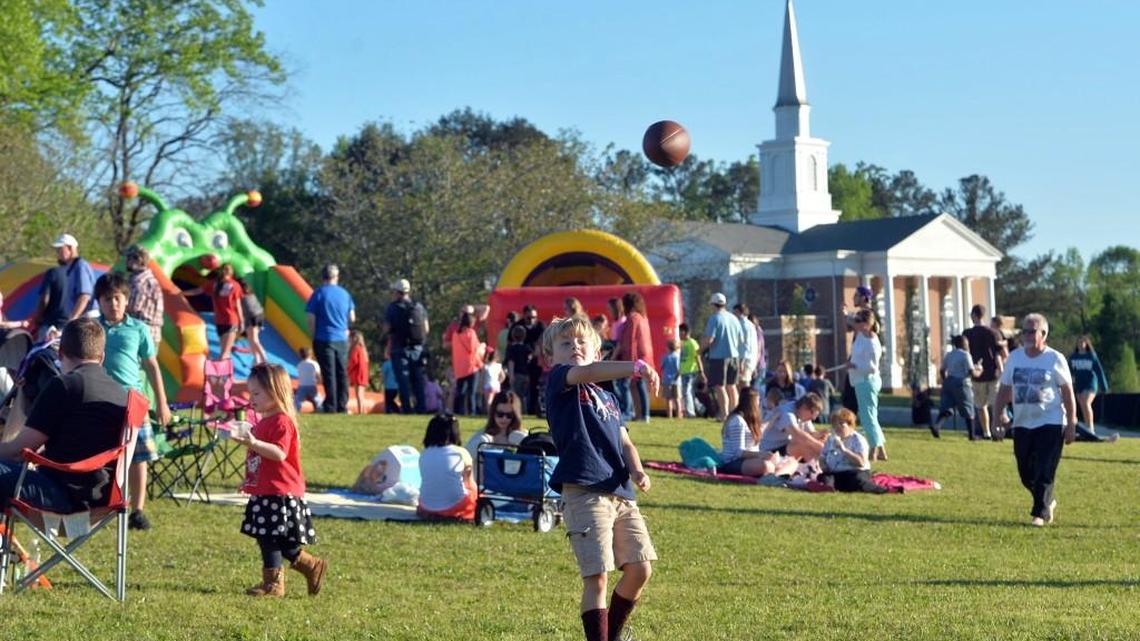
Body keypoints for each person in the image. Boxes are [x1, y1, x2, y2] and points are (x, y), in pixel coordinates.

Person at [542, 315, 660, 641]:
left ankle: (614, 635)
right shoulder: (560, 379)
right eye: (566, 344)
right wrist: (636, 366)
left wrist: (636, 469)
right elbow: (589, 372)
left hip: (620, 491)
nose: (575, 347)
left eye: (582, 342)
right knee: (597, 578)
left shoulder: (608, 395)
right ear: (552, 356)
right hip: (584, 489)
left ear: (596, 349)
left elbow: (624, 441)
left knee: (640, 569)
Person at [0, 319, 128, 513]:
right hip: (101, 498)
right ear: (101, 357)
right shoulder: (120, 393)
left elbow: (19, 451)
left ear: (60, 353)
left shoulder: (65, 385)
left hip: (63, 494)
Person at [231, 362, 326, 597]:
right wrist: (249, 482)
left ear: (275, 391)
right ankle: (311, 565)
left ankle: (274, 584)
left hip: (280, 491)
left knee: (271, 537)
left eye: (256, 393)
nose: (251, 398)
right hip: (264, 490)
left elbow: (279, 453)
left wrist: (253, 442)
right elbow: (258, 460)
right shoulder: (262, 422)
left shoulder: (282, 422)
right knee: (274, 539)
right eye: (250, 392)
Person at [95, 272, 171, 530]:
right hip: (101, 401)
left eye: (117, 298)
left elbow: (151, 366)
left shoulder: (138, 329)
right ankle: (102, 506)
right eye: (107, 300)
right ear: (99, 302)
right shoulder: (93, 329)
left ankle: (137, 510)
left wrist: (161, 403)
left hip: (134, 402)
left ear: (126, 300)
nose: (112, 304)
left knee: (139, 457)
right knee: (101, 456)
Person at [993, 313, 1078, 527]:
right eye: (1025, 331)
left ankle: (1039, 514)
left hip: (1051, 421)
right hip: (1022, 423)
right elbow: (1004, 389)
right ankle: (1047, 500)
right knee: (1025, 472)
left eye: (1033, 331)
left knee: (1044, 470)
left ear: (1044, 334)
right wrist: (996, 417)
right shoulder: (1014, 358)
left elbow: (1068, 392)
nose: (1028, 335)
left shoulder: (1055, 359)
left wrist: (1071, 424)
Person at [306, 265, 356, 413]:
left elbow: (310, 317)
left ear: (323, 277)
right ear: (337, 277)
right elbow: (352, 317)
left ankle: (331, 405)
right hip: (341, 338)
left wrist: (313, 334)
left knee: (329, 373)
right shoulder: (345, 294)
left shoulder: (319, 294)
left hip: (323, 337)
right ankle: (342, 405)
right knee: (342, 372)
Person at [417, 414, 477, 521]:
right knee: (474, 494)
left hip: (427, 507)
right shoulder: (461, 453)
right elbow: (470, 483)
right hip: (455, 507)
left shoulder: (424, 454)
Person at [845, 309, 887, 461]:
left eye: (858, 322)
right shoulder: (861, 335)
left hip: (867, 381)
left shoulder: (872, 343)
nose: (855, 324)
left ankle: (874, 448)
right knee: (871, 416)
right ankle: (881, 449)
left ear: (866, 324)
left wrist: (854, 366)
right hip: (859, 380)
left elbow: (872, 368)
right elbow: (850, 320)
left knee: (867, 416)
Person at [963, 304, 1008, 440]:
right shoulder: (993, 333)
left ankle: (987, 432)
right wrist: (1001, 368)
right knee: (996, 405)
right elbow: (1002, 353)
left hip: (977, 374)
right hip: (993, 373)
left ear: (974, 316)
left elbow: (966, 354)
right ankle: (997, 431)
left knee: (980, 405)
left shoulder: (967, 334)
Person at [818, 408, 888, 493]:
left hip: (854, 471)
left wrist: (843, 450)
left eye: (841, 424)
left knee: (856, 479)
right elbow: (822, 456)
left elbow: (861, 462)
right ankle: (828, 487)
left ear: (850, 425)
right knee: (825, 477)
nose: (837, 428)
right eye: (835, 425)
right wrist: (824, 466)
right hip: (835, 472)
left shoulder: (858, 440)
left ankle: (883, 490)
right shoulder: (831, 439)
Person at [384, 278, 426, 414]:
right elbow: (426, 327)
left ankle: (407, 408)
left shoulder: (393, 308)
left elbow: (387, 328)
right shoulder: (418, 307)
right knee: (417, 380)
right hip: (417, 348)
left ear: (397, 292)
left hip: (399, 348)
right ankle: (421, 408)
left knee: (403, 381)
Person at [184, 264, 244, 360]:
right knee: (225, 353)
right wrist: (242, 321)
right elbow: (238, 305)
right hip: (231, 321)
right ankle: (221, 373)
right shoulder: (235, 285)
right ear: (231, 273)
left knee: (223, 352)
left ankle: (222, 373)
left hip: (219, 321)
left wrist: (182, 293)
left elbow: (198, 291)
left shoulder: (213, 284)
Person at [702, 292, 745, 422]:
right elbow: (740, 339)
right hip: (734, 356)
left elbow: (709, 339)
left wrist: (700, 349)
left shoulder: (714, 318)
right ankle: (735, 414)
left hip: (718, 357)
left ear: (713, 305)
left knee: (719, 386)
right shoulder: (733, 318)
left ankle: (724, 414)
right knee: (732, 386)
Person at [718, 387, 780, 477]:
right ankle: (777, 473)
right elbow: (738, 452)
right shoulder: (737, 421)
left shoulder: (749, 420)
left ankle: (777, 473)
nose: (759, 404)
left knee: (790, 461)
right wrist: (760, 455)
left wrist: (774, 418)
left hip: (750, 460)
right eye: (758, 400)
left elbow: (761, 429)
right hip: (733, 462)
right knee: (765, 465)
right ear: (752, 403)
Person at [931, 335, 982, 439]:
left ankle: (937, 426)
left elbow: (942, 370)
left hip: (949, 381)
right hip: (962, 383)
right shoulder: (965, 355)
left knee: (947, 407)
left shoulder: (949, 355)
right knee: (968, 408)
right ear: (964, 344)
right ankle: (972, 435)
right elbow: (971, 372)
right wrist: (979, 371)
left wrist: (946, 380)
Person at [615, 292, 653, 422]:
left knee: (639, 385)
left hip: (636, 357)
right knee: (635, 386)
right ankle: (639, 414)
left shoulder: (633, 318)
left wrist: (630, 363)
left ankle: (644, 414)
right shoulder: (643, 317)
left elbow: (631, 340)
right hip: (644, 355)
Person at [464, 390, 529, 459]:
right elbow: (464, 458)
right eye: (500, 414)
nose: (504, 419)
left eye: (509, 415)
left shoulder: (522, 436)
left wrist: (525, 442)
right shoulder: (482, 437)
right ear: (493, 413)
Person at [1069, 336, 1112, 439]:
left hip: (1091, 384)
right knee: (1082, 405)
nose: (1081, 344)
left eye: (1083, 342)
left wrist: (1104, 386)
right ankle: (1087, 429)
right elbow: (1067, 371)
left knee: (1085, 402)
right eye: (1079, 342)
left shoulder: (1091, 356)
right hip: (1079, 385)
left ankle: (1090, 427)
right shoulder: (1073, 357)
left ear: (1087, 344)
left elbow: (1099, 371)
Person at [124, 245, 164, 349]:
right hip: (151, 335)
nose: (126, 261)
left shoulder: (140, 284)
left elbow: (130, 309)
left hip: (142, 336)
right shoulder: (149, 280)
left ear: (138, 260)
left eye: (129, 258)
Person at [759, 393, 824, 456]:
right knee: (803, 444)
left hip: (783, 446)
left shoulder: (802, 412)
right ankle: (814, 465)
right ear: (804, 407)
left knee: (813, 442)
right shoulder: (787, 413)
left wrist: (821, 436)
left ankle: (814, 464)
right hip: (768, 450)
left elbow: (811, 434)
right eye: (813, 414)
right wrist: (820, 447)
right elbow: (797, 435)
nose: (814, 418)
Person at [52, 233, 97, 321]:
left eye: (60, 249)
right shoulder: (72, 267)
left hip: (87, 317)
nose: (57, 253)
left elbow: (85, 296)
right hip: (81, 316)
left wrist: (73, 318)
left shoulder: (80, 266)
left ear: (70, 248)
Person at [451, 312, 483, 416]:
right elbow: (474, 350)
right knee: (471, 392)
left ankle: (457, 411)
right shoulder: (471, 333)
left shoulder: (455, 335)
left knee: (460, 391)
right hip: (471, 366)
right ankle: (472, 412)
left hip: (459, 368)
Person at [606, 298, 631, 420]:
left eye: (610, 309)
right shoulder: (616, 323)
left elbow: (619, 343)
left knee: (623, 385)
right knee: (618, 385)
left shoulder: (623, 322)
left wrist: (614, 356)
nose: (609, 311)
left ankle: (627, 410)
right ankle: (623, 408)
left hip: (620, 356)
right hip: (614, 353)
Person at [32, 263, 69, 340]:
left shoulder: (53, 272)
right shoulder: (80, 276)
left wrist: (37, 320)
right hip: (69, 328)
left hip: (50, 325)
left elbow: (44, 299)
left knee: (43, 350)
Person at [237, 276, 269, 364]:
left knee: (254, 340)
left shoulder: (241, 295)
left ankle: (264, 358)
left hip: (252, 317)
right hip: (258, 315)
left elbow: (242, 309)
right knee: (252, 340)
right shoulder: (250, 293)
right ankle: (257, 359)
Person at [677, 323, 704, 418]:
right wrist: (679, 371)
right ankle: (701, 409)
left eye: (680, 332)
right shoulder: (682, 343)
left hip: (691, 372)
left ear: (685, 332)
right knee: (689, 392)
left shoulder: (693, 343)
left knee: (686, 391)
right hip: (684, 372)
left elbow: (698, 357)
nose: (679, 334)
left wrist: (701, 372)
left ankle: (691, 413)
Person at [505, 325, 531, 412]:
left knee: (515, 395)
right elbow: (529, 360)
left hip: (516, 374)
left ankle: (516, 411)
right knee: (523, 396)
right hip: (526, 374)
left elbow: (511, 362)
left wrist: (511, 375)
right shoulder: (527, 348)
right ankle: (524, 411)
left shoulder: (511, 348)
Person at [732, 303, 759, 387]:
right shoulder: (751, 325)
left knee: (743, 384)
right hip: (750, 359)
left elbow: (744, 346)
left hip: (744, 360)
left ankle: (747, 400)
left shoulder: (742, 325)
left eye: (734, 313)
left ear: (739, 312)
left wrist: (741, 362)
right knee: (743, 383)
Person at [347, 330, 370, 415]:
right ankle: (363, 411)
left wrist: (347, 370)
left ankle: (360, 411)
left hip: (358, 374)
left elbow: (354, 361)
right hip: (363, 374)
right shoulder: (363, 349)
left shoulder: (356, 348)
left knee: (359, 395)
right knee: (362, 395)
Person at [294, 347, 322, 413]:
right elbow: (317, 374)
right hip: (312, 385)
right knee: (317, 398)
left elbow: (300, 375)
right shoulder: (314, 364)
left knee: (298, 399)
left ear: (300, 355)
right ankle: (320, 408)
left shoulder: (299, 365)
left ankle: (295, 409)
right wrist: (319, 380)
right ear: (311, 355)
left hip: (302, 386)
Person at [660, 339, 682, 419]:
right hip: (676, 381)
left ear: (668, 348)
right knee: (677, 399)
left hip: (666, 380)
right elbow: (679, 370)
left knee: (668, 399)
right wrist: (676, 377)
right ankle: (679, 415)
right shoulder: (678, 357)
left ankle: (670, 416)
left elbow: (661, 367)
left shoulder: (665, 357)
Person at [481, 347, 505, 413]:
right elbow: (503, 376)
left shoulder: (485, 366)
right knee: (496, 401)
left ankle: (490, 413)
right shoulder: (499, 366)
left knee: (489, 402)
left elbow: (482, 378)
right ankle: (496, 412)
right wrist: (499, 382)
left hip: (488, 385)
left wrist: (481, 387)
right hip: (496, 385)